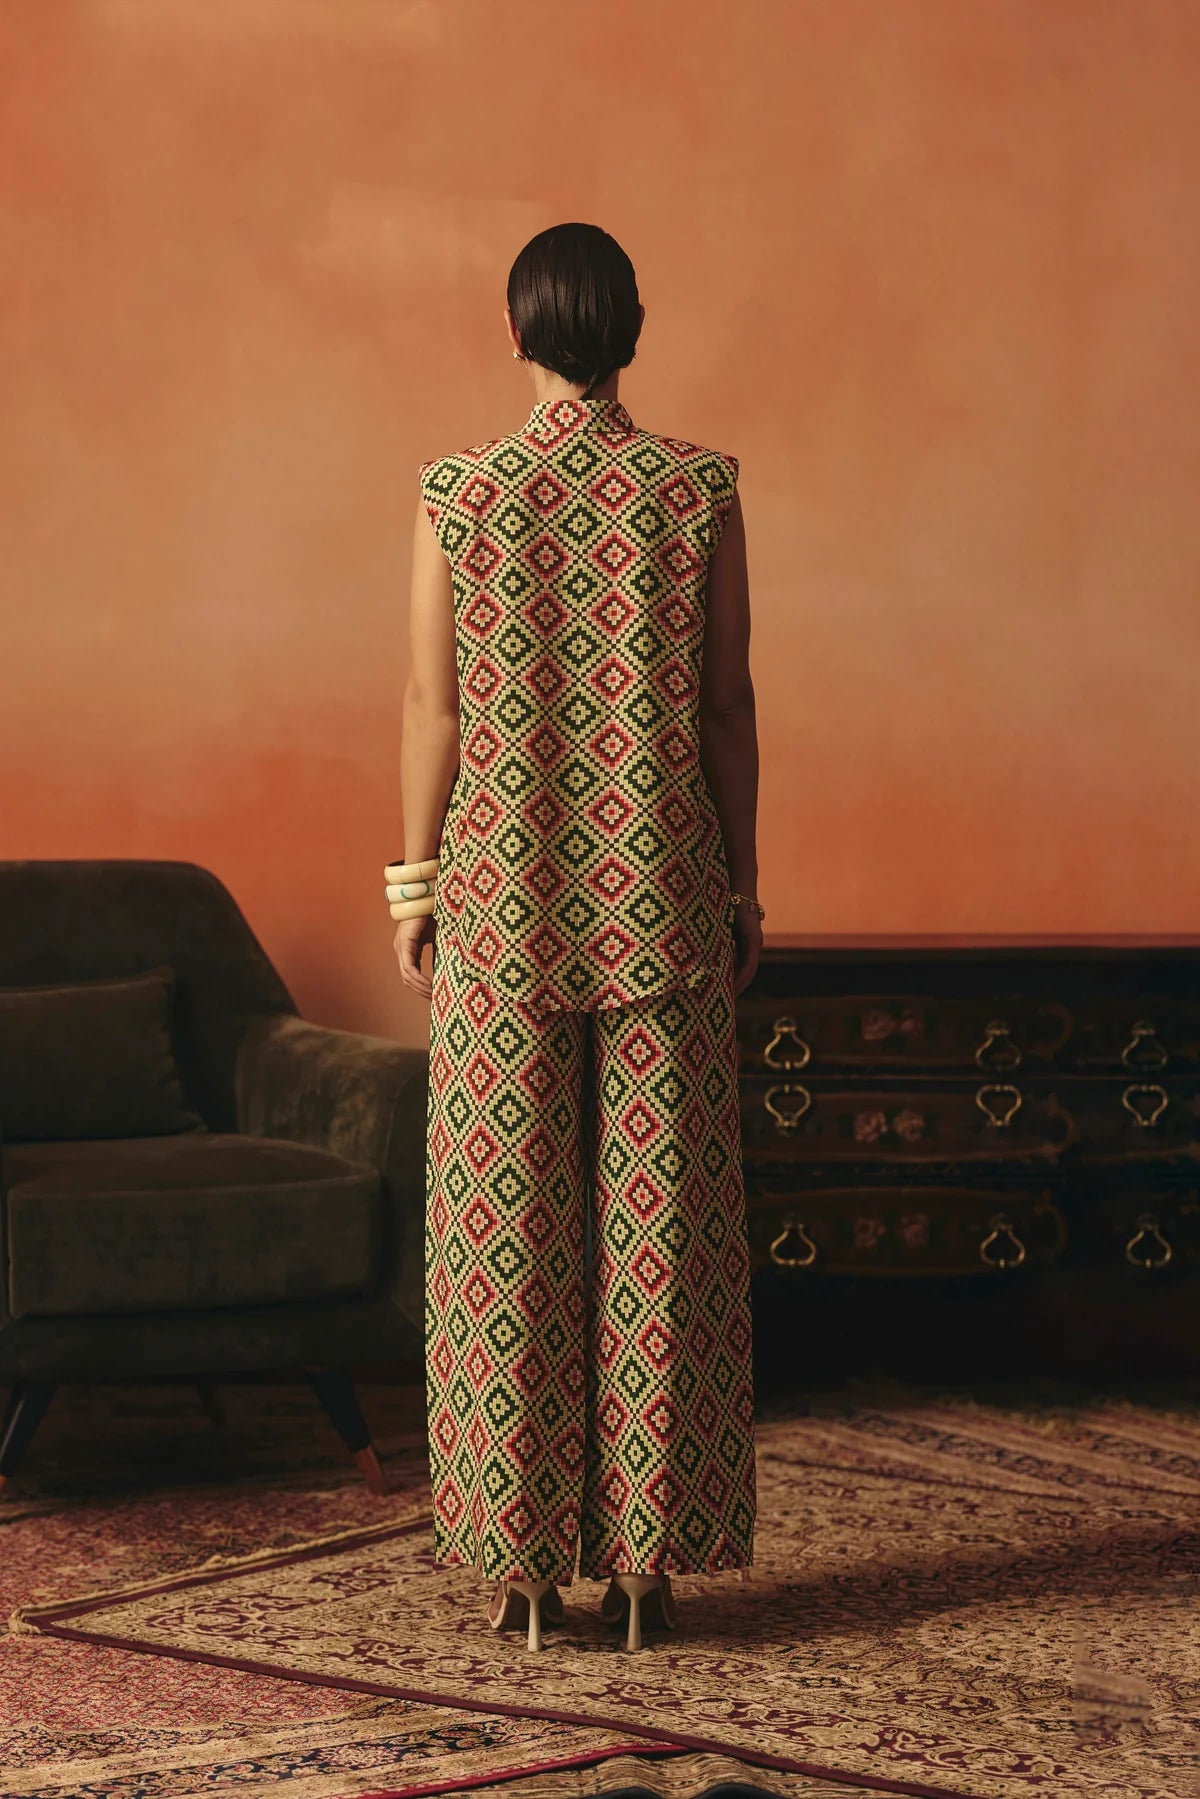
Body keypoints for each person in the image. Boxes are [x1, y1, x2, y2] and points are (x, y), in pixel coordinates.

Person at [393, 222, 762, 1654]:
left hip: (502, 901)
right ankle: (648, 1573)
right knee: (660, 1232)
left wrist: (417, 889)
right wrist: (742, 888)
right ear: (633, 331)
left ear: (515, 333)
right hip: (663, 892)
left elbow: (434, 708)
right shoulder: (698, 490)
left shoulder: (459, 494)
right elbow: (725, 705)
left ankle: (523, 1571)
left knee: (507, 1234)